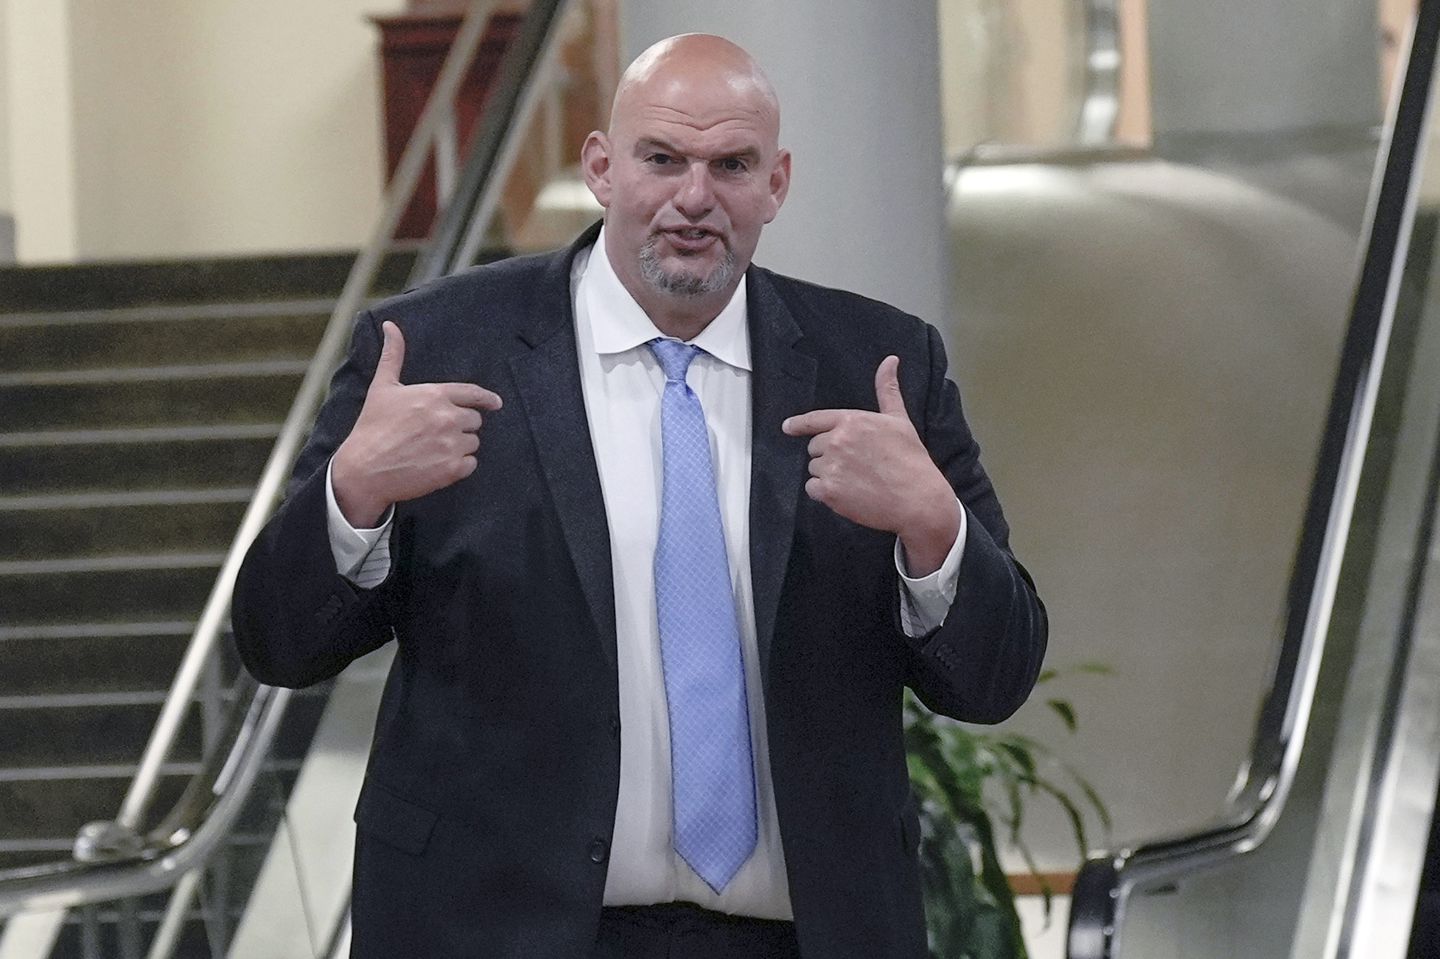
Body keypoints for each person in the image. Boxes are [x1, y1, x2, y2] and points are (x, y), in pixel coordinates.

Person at [233, 33, 1046, 959]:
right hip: (493, 932)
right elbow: (277, 641)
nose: (694, 198)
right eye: (662, 159)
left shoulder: (877, 365)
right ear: (601, 168)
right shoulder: (431, 351)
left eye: (731, 165)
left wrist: (935, 528)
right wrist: (354, 493)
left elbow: (995, 677)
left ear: (776, 183)